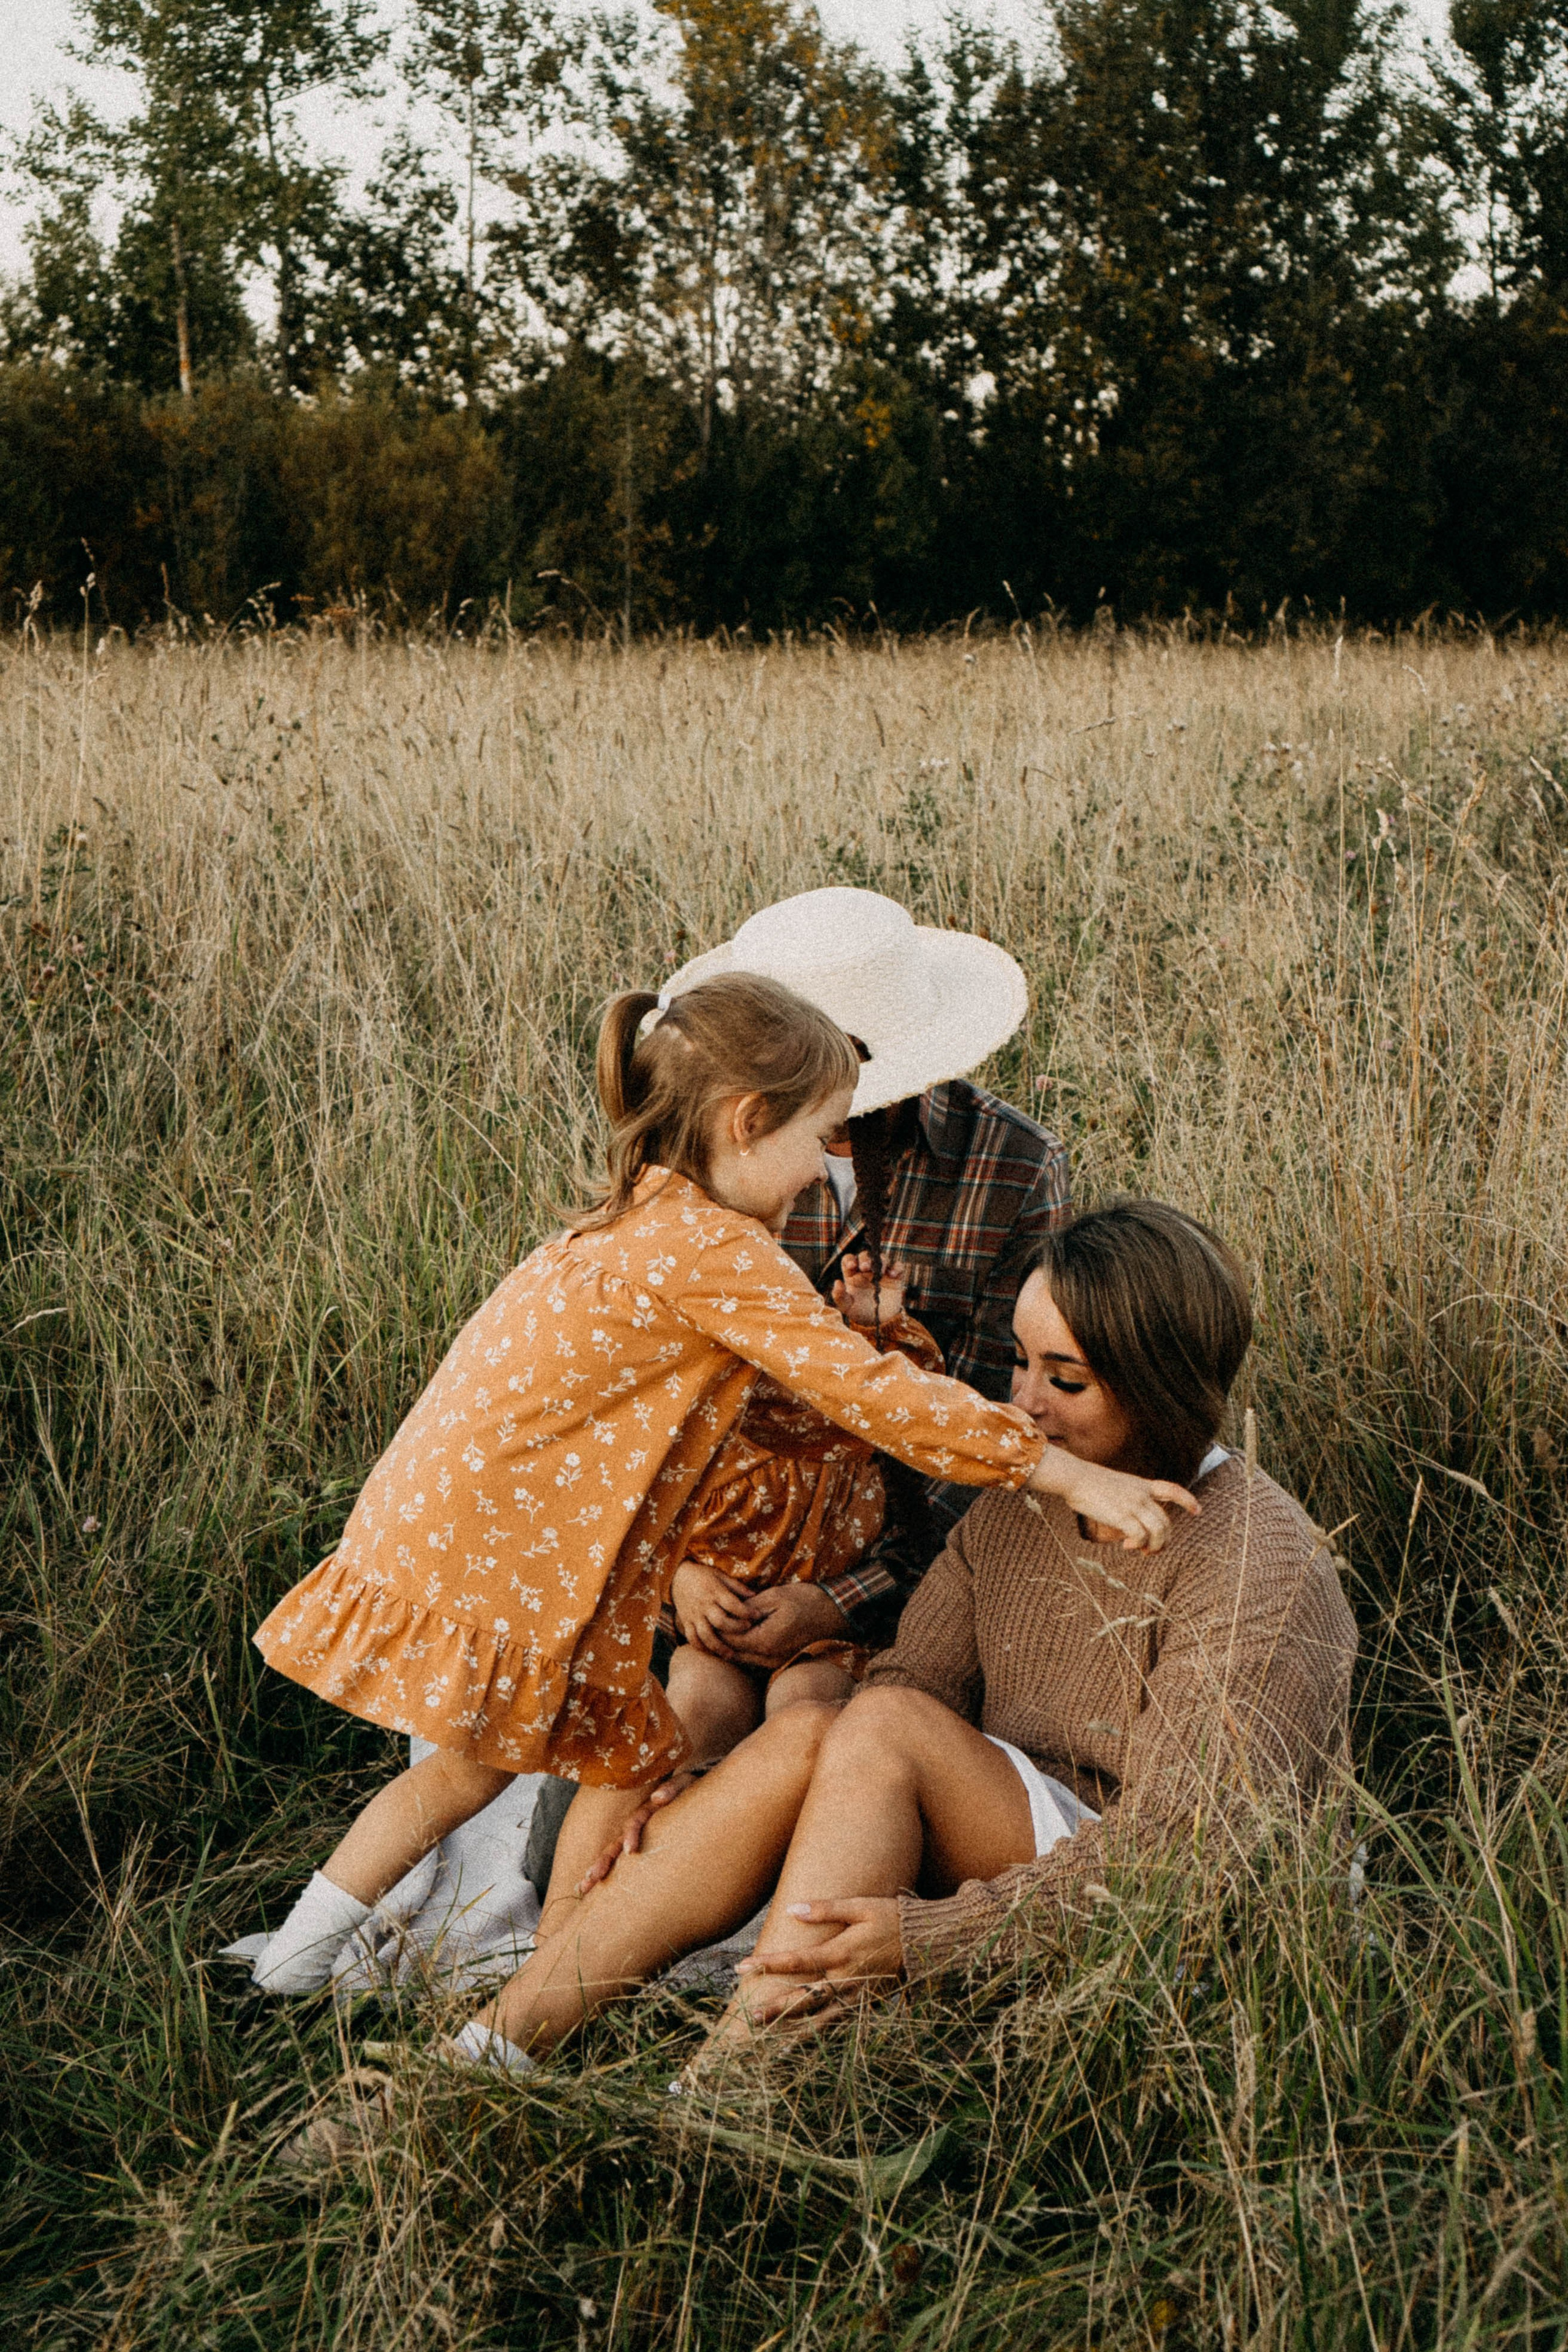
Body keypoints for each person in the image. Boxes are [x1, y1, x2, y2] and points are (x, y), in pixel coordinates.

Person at [242, 978, 1196, 2047]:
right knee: (567, 1759)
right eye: (820, 1137)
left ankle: (299, 1966)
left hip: (457, 1523)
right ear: (749, 1122)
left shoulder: (639, 1208)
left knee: (546, 1759)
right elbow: (868, 1396)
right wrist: (1061, 1473)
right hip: (529, 1557)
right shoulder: (720, 1250)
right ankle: (555, 1971)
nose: (828, 1167)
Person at [452, 1200, 1355, 2070]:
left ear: (1160, 1383)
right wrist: (711, 1796)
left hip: (1169, 1901)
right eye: (1019, 1364)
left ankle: (732, 2084)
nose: (1026, 1406)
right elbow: (913, 1679)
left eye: (1065, 1380)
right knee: (825, 1725)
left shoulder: (1254, 1562)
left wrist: (927, 1936)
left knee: (881, 1731)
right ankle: (505, 2033)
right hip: (1012, 1814)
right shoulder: (1024, 1503)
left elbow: (1191, 1854)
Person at [662, 1251, 943, 1762]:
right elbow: (632, 1529)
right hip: (714, 1630)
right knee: (700, 1702)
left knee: (804, 1711)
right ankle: (691, 1810)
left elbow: (915, 1392)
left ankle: (781, 1821)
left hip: (829, 1633)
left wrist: (877, 1322)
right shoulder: (699, 1431)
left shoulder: (849, 1424)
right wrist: (680, 1579)